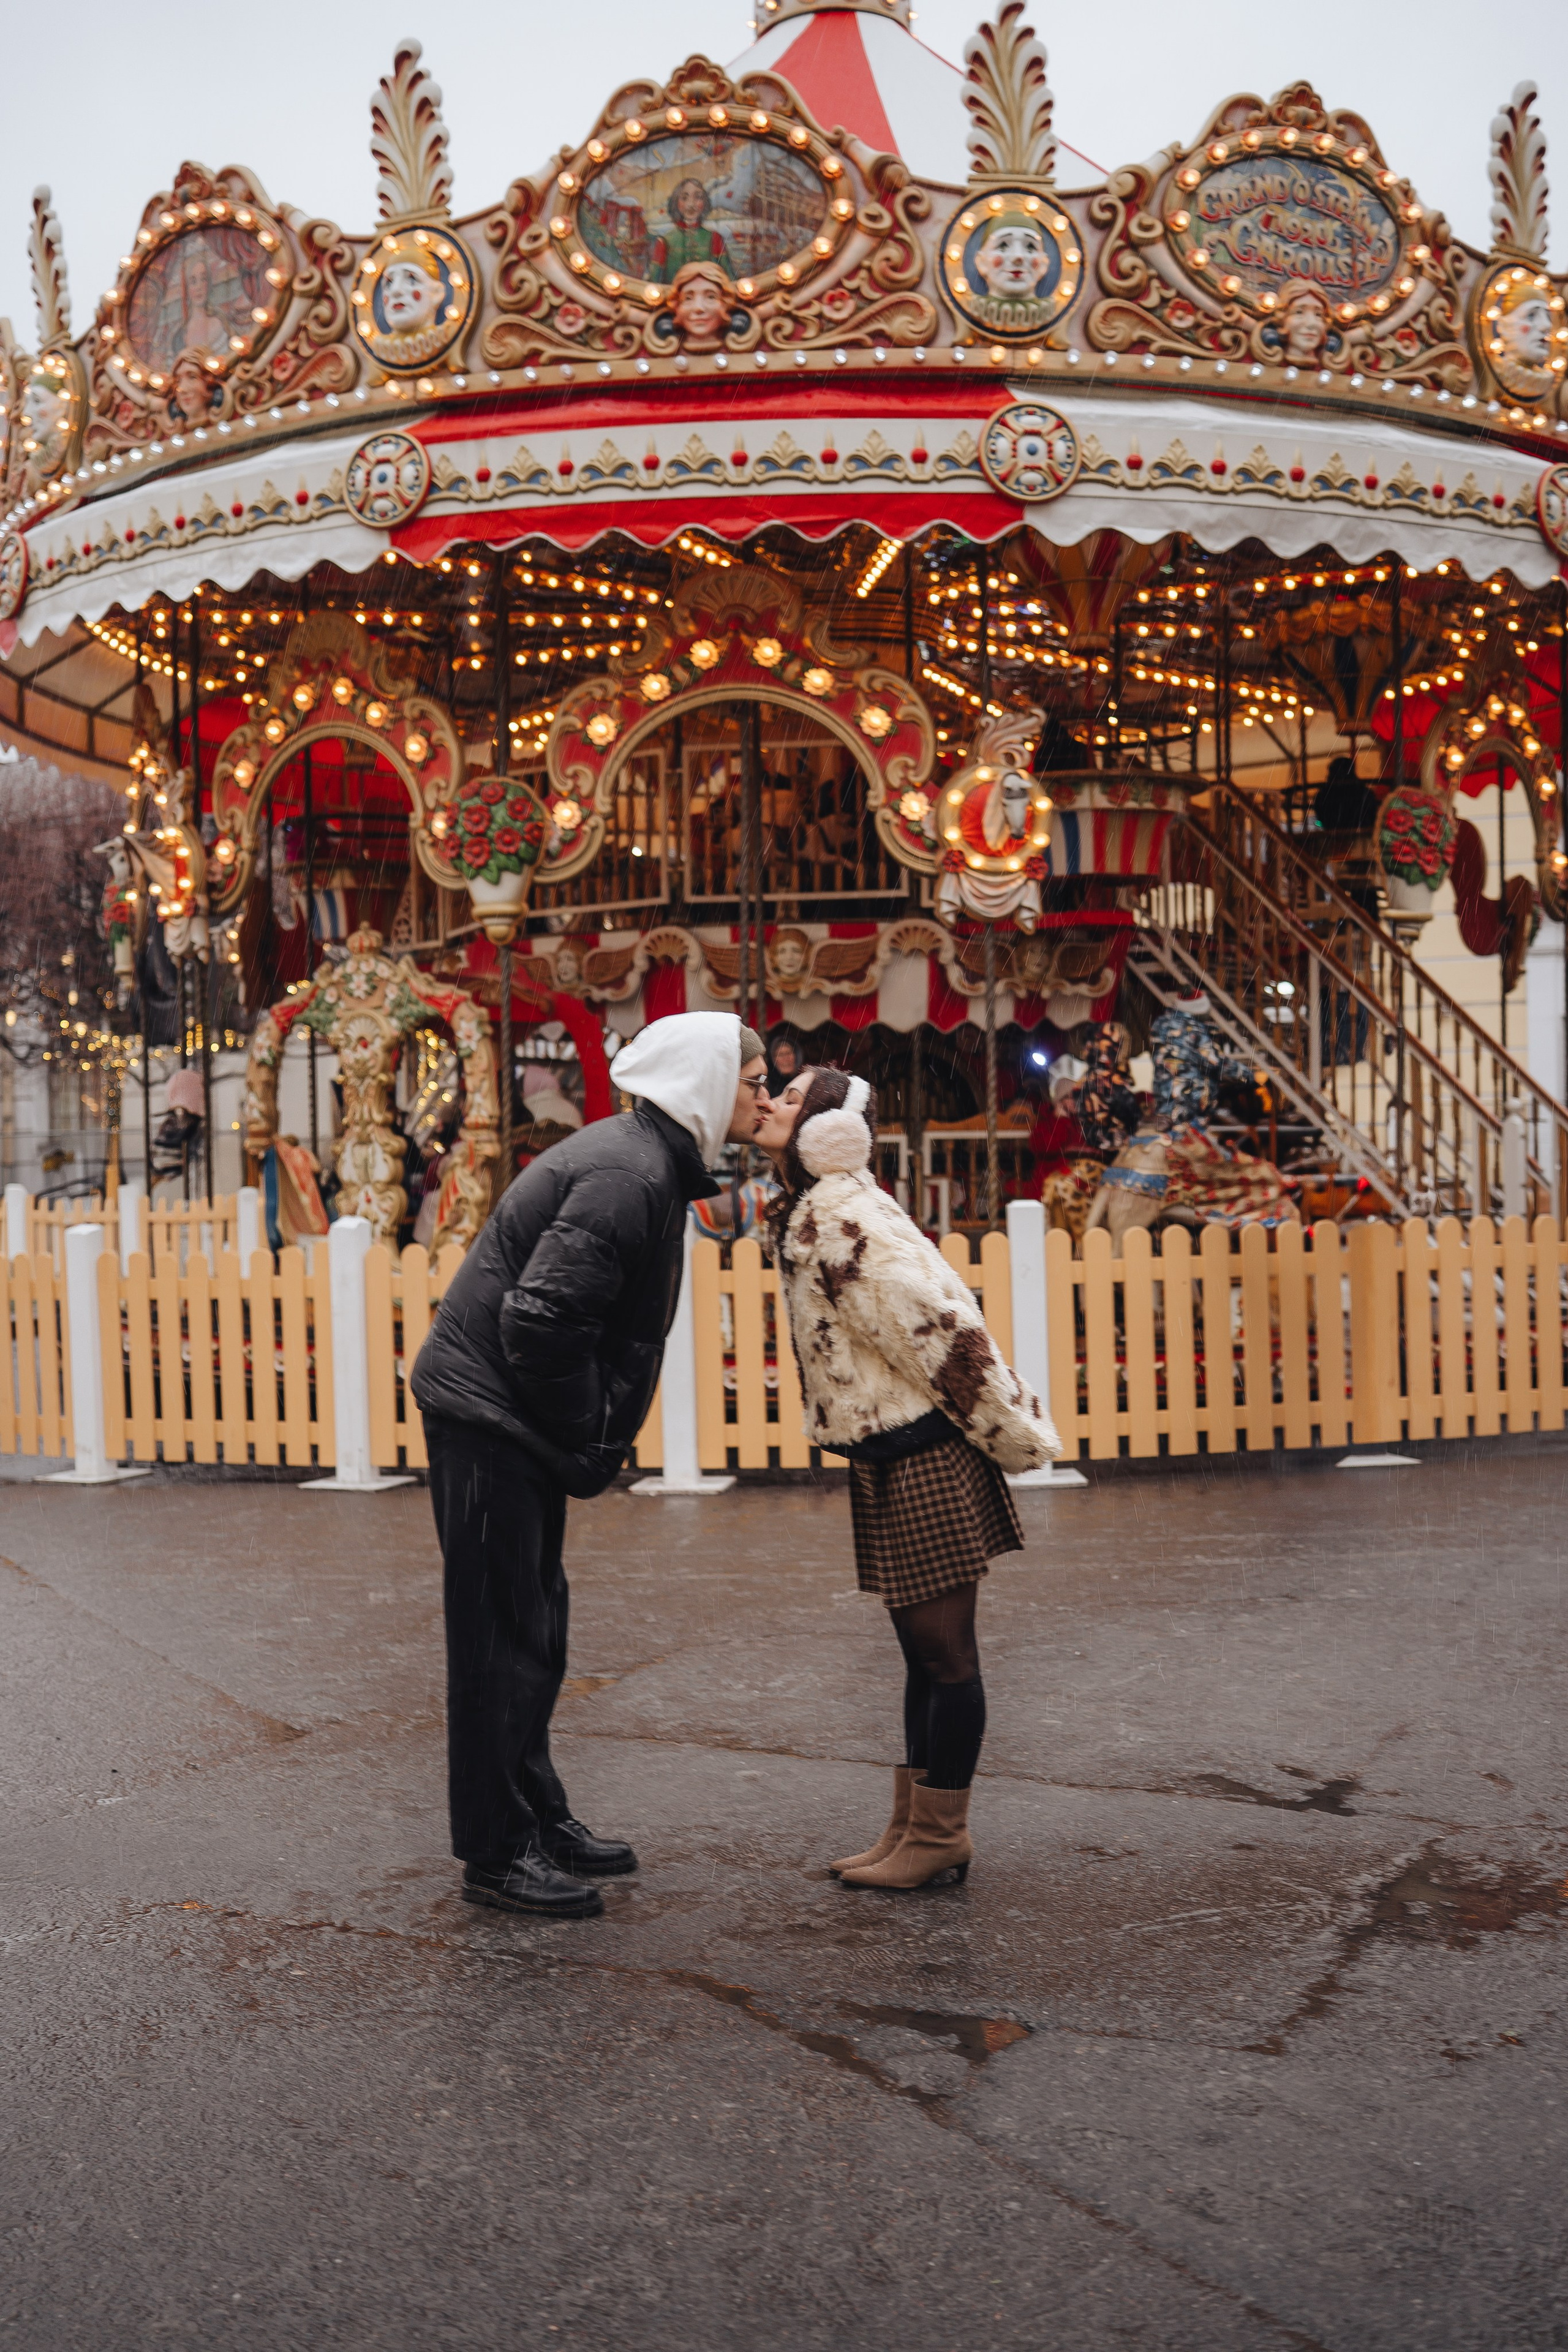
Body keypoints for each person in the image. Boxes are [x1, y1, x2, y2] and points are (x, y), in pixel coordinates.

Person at [411, 1012, 769, 1920]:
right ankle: (496, 1852)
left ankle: (535, 1814)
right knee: (501, 1641)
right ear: (710, 1082)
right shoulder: (628, 1173)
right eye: (755, 1077)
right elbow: (540, 1321)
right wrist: (590, 1430)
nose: (764, 1093)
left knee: (535, 1630)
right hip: (494, 1419)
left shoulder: (647, 1160)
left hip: (507, 1419)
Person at [758, 1067, 1057, 1891]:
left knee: (946, 1655)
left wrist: (1008, 1428)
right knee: (921, 1656)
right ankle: (913, 1825)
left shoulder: (847, 1214)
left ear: (829, 1132)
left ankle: (941, 1834)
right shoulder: (814, 1210)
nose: (771, 1103)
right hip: (889, 1450)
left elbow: (939, 1327)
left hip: (925, 1448)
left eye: (789, 1098)